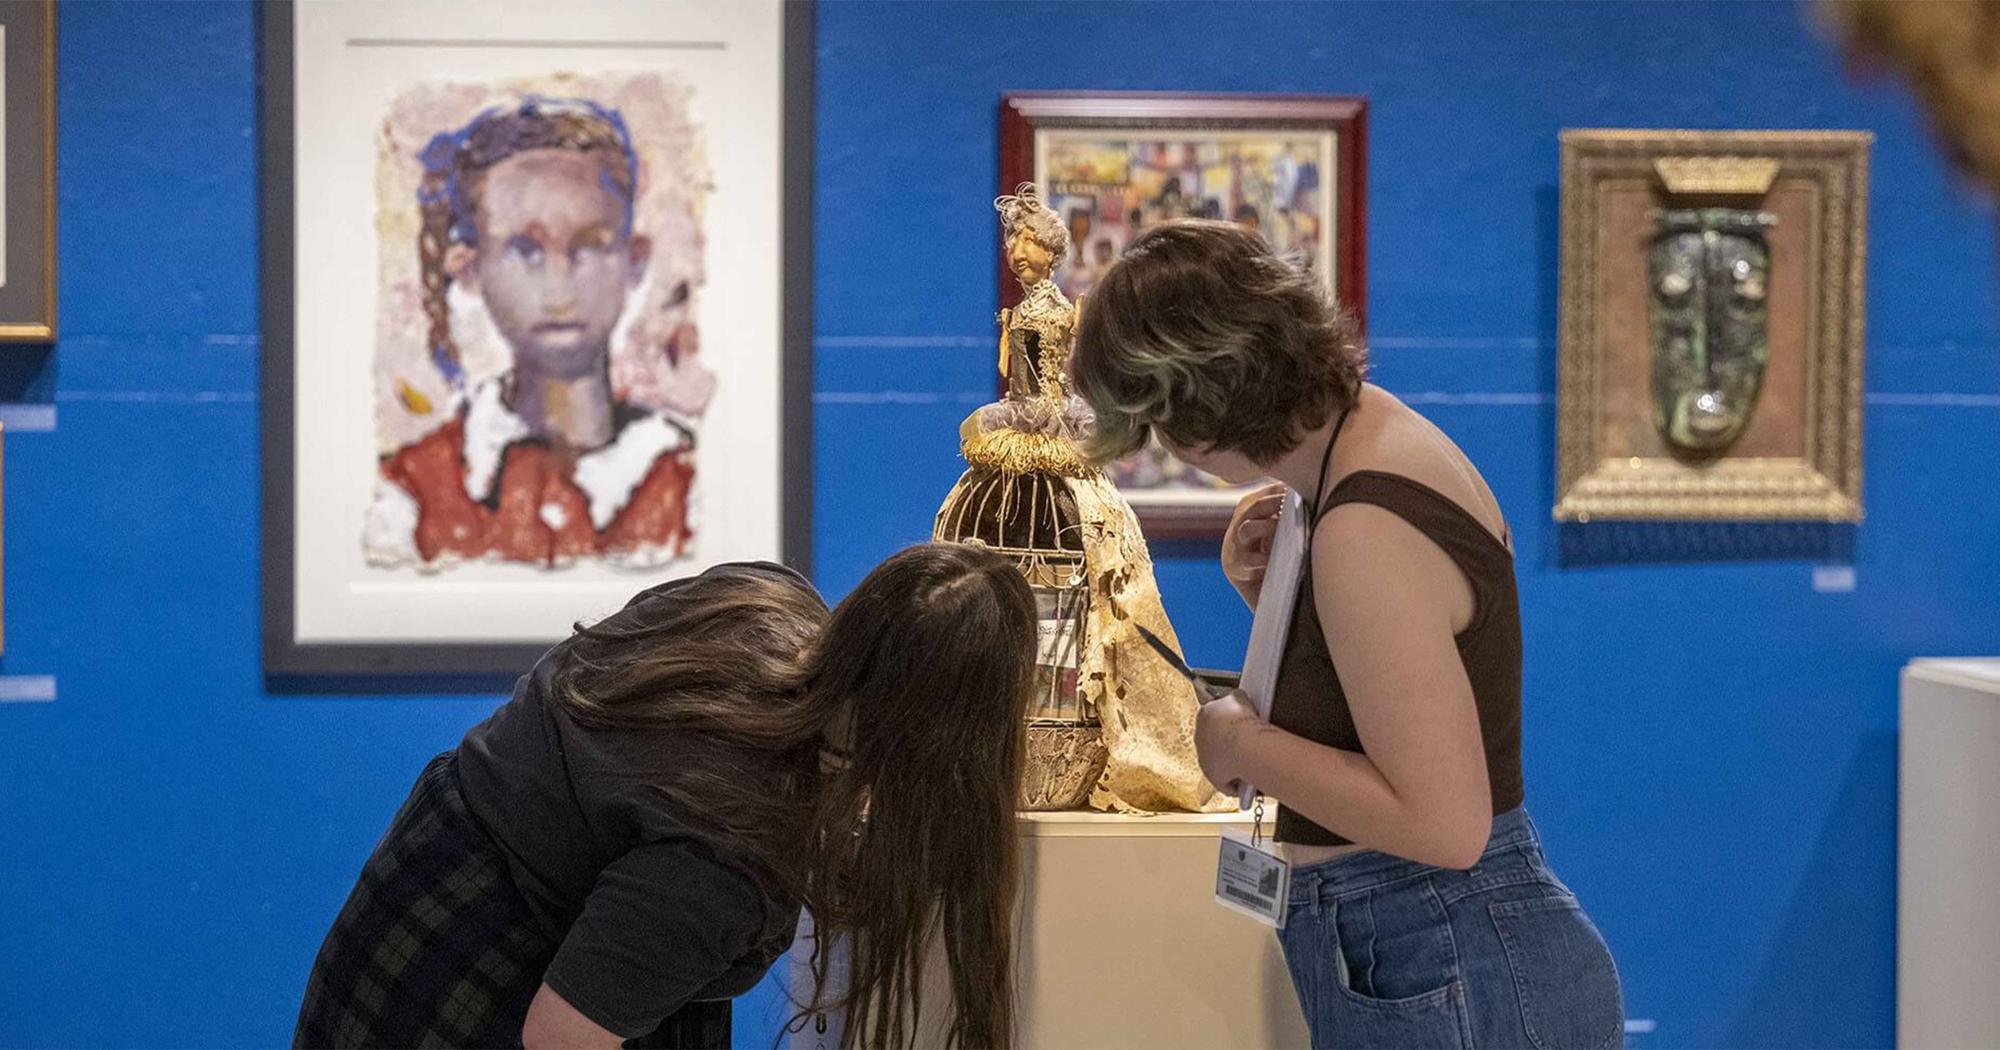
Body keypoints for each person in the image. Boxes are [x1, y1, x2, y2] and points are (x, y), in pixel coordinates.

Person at [1071, 220, 1624, 1049]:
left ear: (1192, 408)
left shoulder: (1364, 521)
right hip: (1430, 946)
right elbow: (1387, 706)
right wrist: (1274, 600)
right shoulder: (1362, 442)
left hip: (1440, 949)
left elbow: (1443, 824)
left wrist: (1238, 745)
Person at [294, 543, 1037, 1049]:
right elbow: (562, 1040)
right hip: (463, 974)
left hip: (431, 865)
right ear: (960, 736)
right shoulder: (734, 849)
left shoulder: (758, 596)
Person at [369, 96, 707, 569]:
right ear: (469, 268)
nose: (559, 286)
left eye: (590, 247)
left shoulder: (690, 479)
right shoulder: (412, 489)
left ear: (634, 260)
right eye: (525, 250)